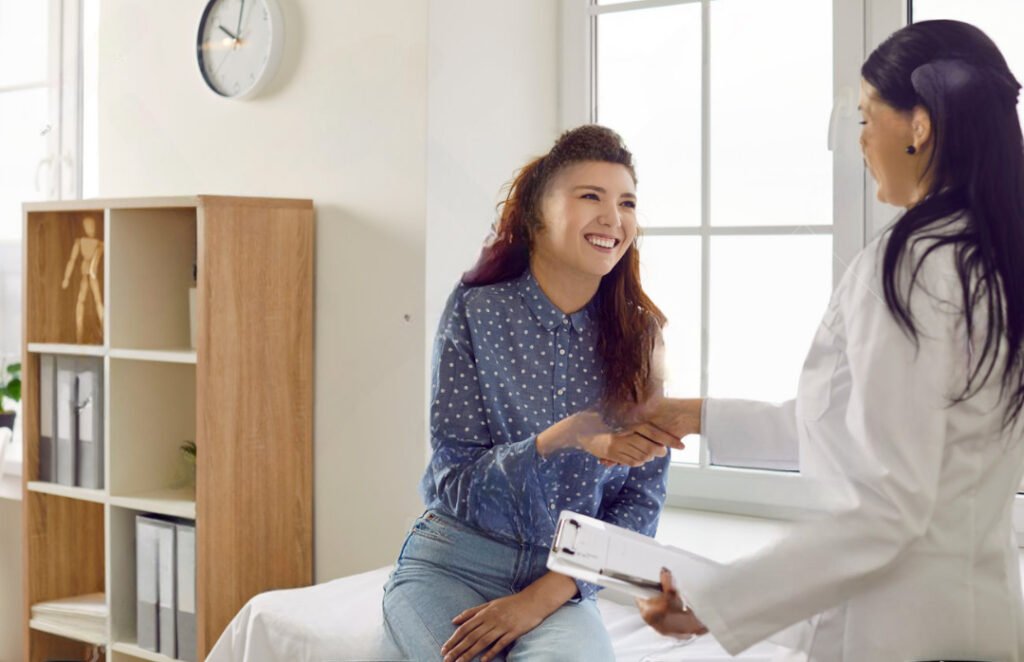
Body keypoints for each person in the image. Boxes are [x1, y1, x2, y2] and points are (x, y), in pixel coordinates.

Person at [634, 19, 1024, 661]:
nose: (862, 139)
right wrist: (699, 416)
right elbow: (862, 428)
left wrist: (716, 604)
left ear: (920, 126)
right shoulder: (994, 259)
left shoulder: (910, 266)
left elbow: (886, 503)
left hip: (898, 633)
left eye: (869, 116)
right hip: (979, 616)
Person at [382, 125, 683, 662]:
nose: (613, 218)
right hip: (453, 561)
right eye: (590, 196)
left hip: (560, 585)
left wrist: (539, 599)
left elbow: (640, 501)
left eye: (627, 202)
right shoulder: (477, 310)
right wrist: (556, 440)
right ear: (537, 214)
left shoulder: (641, 337)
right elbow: (454, 480)